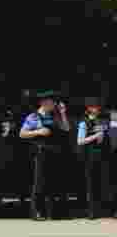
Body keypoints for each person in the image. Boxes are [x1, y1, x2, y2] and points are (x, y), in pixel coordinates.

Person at [19, 91, 70, 220]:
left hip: (54, 152)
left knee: (52, 182)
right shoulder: (33, 117)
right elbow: (22, 133)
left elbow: (66, 128)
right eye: (52, 102)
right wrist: (38, 131)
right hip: (40, 153)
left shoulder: (55, 116)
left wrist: (63, 113)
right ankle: (36, 212)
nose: (54, 104)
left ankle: (52, 212)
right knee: (39, 183)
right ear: (44, 102)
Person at [77, 98, 109, 219]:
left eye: (98, 107)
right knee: (91, 184)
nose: (97, 109)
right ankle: (91, 211)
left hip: (101, 155)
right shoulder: (83, 122)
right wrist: (95, 136)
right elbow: (80, 141)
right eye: (95, 107)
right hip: (89, 156)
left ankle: (101, 209)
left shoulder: (101, 121)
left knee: (101, 183)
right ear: (89, 109)